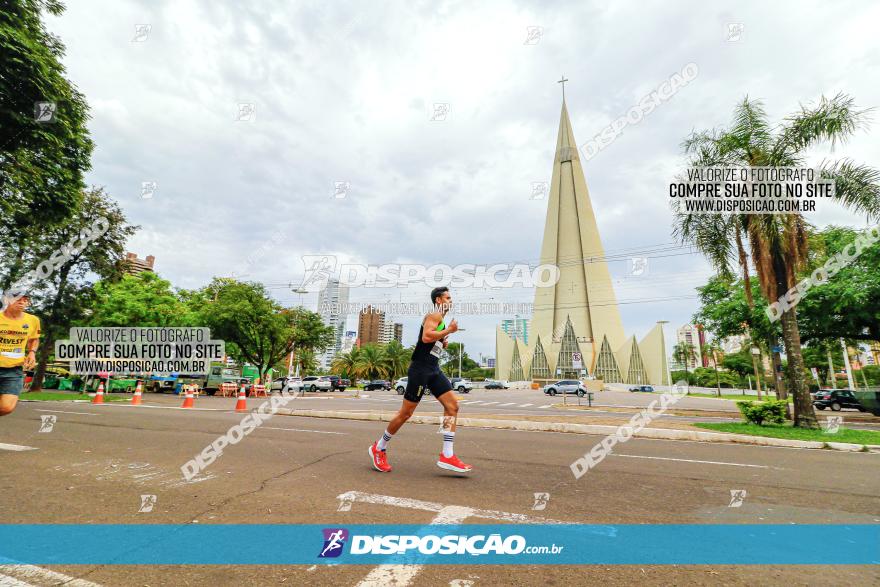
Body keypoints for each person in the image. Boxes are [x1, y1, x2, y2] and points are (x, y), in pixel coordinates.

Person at [369, 286, 472, 474]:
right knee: (405, 414)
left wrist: (441, 341)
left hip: (433, 369)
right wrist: (449, 330)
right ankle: (379, 447)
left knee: (452, 407)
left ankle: (447, 454)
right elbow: (425, 337)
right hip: (420, 370)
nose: (451, 301)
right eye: (448, 297)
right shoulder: (435, 315)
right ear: (439, 300)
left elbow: (431, 340)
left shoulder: (440, 319)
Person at [0, 290, 41, 416]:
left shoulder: (33, 320)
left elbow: (34, 338)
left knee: (6, 407)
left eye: (25, 299)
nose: (22, 302)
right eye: (18, 299)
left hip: (14, 370)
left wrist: (32, 353)